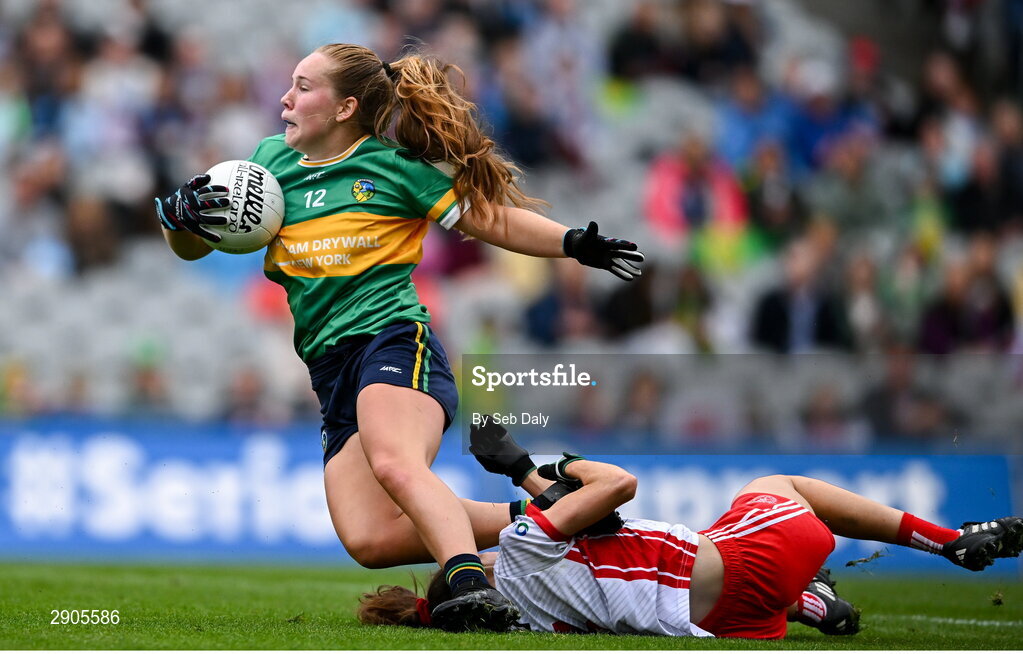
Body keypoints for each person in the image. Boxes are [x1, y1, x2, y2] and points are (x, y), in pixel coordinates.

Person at [151, 43, 644, 632]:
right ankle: (547, 509)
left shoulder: (393, 168)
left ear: (344, 108)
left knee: (396, 463)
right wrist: (180, 220)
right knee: (370, 538)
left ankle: (467, 584)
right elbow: (194, 245)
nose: (286, 97)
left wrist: (573, 244)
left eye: (304, 86)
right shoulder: (264, 166)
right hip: (330, 369)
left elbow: (492, 219)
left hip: (393, 342)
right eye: (290, 83)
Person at [357, 420, 1023, 638]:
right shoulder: (523, 552)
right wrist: (542, 464)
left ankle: (806, 602)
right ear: (482, 572)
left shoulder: (533, 622)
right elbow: (615, 488)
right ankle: (949, 542)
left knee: (699, 534)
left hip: (732, 621)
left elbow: (592, 527)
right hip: (745, 566)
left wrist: (525, 477)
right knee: (775, 487)